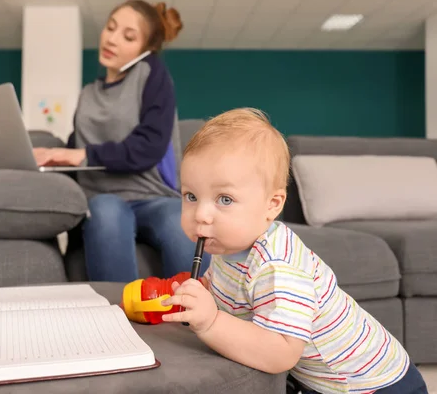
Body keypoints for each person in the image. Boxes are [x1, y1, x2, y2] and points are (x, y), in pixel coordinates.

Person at [160, 108, 428, 394]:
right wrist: (200, 292)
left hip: (372, 386)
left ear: (272, 205)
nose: (201, 214)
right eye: (191, 196)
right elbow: (231, 290)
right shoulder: (228, 243)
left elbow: (280, 353)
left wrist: (211, 320)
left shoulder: (278, 267)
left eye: (224, 199)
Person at [32, 0, 211, 282]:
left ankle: (200, 313)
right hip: (102, 196)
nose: (112, 39)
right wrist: (52, 156)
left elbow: (148, 146)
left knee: (179, 223)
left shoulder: (152, 74)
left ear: (145, 49)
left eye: (128, 36)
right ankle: (118, 317)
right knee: (105, 213)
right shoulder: (88, 93)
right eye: (110, 28)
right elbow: (78, 145)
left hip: (152, 196)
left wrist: (82, 155)